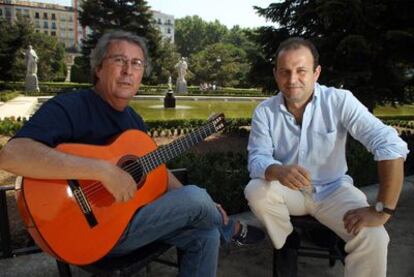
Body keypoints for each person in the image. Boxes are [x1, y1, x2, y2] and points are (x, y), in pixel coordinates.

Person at [0, 30, 264, 277]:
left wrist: (202, 206)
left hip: (135, 220)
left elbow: (155, 170)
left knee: (204, 230)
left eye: (137, 63)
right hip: (96, 232)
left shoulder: (134, 121)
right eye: (119, 60)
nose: (128, 71)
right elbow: (12, 155)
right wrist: (101, 171)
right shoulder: (72, 106)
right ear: (99, 67)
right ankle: (229, 228)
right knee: (197, 197)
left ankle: (215, 221)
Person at [244, 37, 408, 277]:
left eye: (301, 71)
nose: (292, 80)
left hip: (334, 191)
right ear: (276, 74)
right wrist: (277, 170)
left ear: (316, 72)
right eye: (284, 72)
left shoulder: (339, 101)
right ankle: (287, 238)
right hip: (289, 193)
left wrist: (382, 210)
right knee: (256, 190)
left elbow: (390, 144)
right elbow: (257, 159)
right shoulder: (265, 111)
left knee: (374, 236)